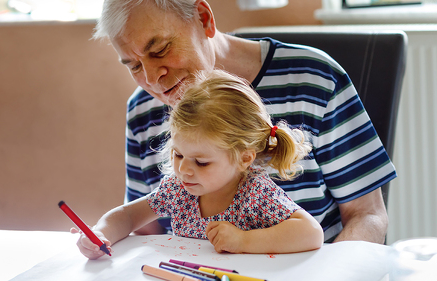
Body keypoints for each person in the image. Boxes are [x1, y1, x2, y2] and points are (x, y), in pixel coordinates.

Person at [93, 0, 396, 243]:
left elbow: (366, 215)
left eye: (160, 50)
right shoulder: (142, 109)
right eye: (133, 65)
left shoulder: (314, 79)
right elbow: (143, 231)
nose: (151, 79)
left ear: (203, 18)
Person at [74, 69, 324, 259]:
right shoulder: (178, 189)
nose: (183, 169)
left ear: (244, 158)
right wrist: (101, 233)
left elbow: (311, 233)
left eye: (202, 162)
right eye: (178, 155)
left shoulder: (254, 192)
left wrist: (243, 241)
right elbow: (128, 216)